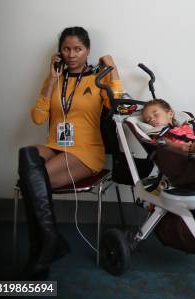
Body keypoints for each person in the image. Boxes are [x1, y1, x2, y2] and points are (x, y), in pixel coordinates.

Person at [18, 26, 122, 279]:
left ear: (87, 50)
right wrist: (51, 80)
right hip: (55, 146)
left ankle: (42, 249)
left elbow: (120, 108)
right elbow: (37, 117)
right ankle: (51, 241)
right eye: (66, 49)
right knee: (27, 153)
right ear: (59, 52)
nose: (72, 54)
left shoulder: (98, 79)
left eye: (78, 49)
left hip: (86, 152)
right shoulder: (55, 78)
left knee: (30, 183)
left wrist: (113, 69)